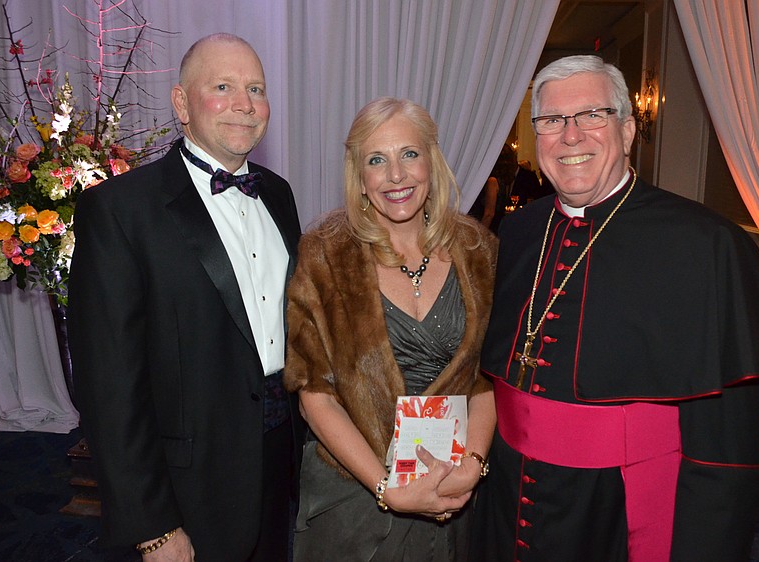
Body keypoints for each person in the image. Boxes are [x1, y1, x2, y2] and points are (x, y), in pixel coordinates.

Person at [471, 55, 759, 562]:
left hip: (624, 512)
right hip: (509, 504)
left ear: (626, 130)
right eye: (552, 120)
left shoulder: (706, 245)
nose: (570, 135)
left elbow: (726, 458)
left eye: (592, 115)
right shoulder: (518, 230)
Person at [67, 33, 301, 561]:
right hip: (186, 483)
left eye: (256, 89)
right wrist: (152, 526)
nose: (245, 104)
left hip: (279, 457)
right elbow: (109, 386)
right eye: (223, 86)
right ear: (181, 103)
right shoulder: (120, 210)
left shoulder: (279, 194)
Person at [284, 97, 498, 561]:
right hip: (352, 500)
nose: (396, 175)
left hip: (452, 494)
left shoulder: (479, 249)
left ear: (432, 162)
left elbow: (486, 380)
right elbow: (313, 392)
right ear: (359, 178)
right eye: (377, 160)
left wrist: (473, 465)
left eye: (410, 154)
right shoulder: (324, 253)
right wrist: (387, 489)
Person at [468, 143, 517, 234]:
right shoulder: (504, 182)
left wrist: (479, 236)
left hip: (489, 230)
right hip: (497, 229)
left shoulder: (492, 181)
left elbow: (489, 214)